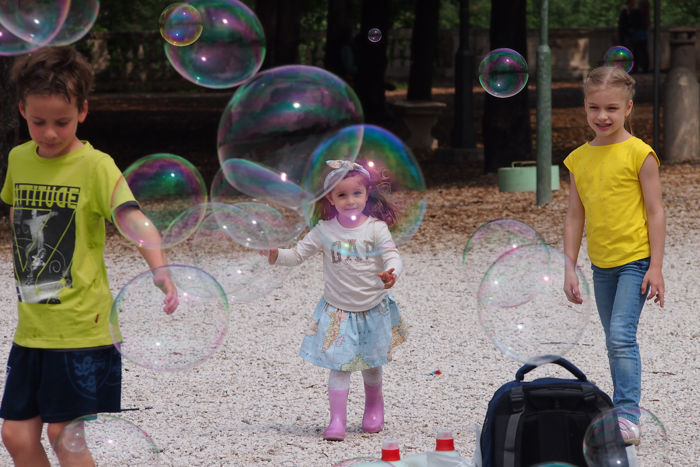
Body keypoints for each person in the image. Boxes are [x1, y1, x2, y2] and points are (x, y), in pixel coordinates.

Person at [0, 46, 178, 466]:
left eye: (61, 122)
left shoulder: (96, 166)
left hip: (83, 330)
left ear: (82, 111)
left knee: (64, 435)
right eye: (38, 121)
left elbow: (133, 219)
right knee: (15, 435)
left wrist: (160, 269)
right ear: (22, 110)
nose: (49, 133)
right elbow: (15, 211)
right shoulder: (18, 158)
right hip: (33, 329)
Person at [267, 160, 407, 441]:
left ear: (367, 194)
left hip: (372, 308)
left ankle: (374, 408)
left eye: (356, 193)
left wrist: (392, 272)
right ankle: (337, 420)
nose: (350, 200)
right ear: (330, 199)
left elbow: (392, 255)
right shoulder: (325, 230)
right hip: (339, 311)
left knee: (371, 363)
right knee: (339, 366)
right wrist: (275, 254)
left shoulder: (376, 228)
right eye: (342, 195)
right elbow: (297, 255)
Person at [563, 66, 665, 446]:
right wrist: (569, 267)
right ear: (585, 107)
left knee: (621, 336)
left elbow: (655, 211)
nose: (602, 116)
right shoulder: (578, 160)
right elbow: (575, 216)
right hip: (601, 266)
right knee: (613, 339)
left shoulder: (640, 154)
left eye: (611, 108)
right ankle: (622, 410)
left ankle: (627, 416)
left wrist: (656, 267)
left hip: (635, 261)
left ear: (628, 108)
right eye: (594, 107)